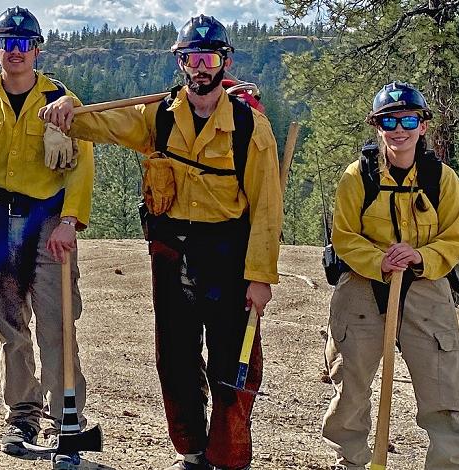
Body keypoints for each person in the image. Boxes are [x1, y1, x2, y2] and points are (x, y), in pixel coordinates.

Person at [40, 14, 283, 470]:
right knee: (174, 355)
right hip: (170, 251)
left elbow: (267, 209)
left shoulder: (251, 129)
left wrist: (260, 278)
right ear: (181, 63)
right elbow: (106, 124)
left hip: (227, 253)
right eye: (191, 58)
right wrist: (68, 110)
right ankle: (191, 451)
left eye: (209, 57)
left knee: (233, 361)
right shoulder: (160, 116)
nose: (200, 67)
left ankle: (228, 457)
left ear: (224, 62)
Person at [0, 6, 94, 469]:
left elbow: (82, 164)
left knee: (58, 324)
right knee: (9, 325)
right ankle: (22, 414)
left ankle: (65, 420)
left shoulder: (61, 100)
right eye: (6, 43)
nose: (14, 53)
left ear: (37, 50)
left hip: (48, 220)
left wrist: (70, 221)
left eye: (23, 44)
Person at [321, 82, 459, 470]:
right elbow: (344, 236)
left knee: (444, 394)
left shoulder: (443, 179)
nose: (398, 129)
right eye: (389, 121)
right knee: (350, 388)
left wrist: (420, 256)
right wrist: (378, 261)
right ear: (377, 127)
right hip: (362, 285)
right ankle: (352, 462)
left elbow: (455, 238)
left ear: (423, 126)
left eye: (408, 119)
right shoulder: (358, 177)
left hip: (426, 285)